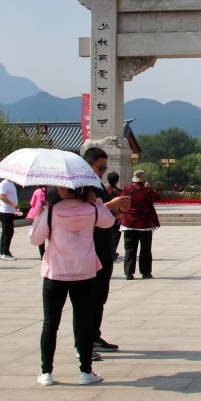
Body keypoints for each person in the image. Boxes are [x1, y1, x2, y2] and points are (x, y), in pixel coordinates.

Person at [29, 184, 115, 386]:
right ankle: (86, 371)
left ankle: (46, 372)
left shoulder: (52, 212)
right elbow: (109, 221)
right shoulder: (92, 209)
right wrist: (98, 202)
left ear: (62, 191)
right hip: (84, 272)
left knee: (50, 324)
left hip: (56, 272)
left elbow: (35, 239)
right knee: (84, 322)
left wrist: (41, 214)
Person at [80, 147, 129, 355]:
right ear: (88, 165)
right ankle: (87, 340)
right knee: (91, 297)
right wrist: (112, 204)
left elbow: (103, 214)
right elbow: (87, 212)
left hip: (104, 247)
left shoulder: (97, 184)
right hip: (93, 249)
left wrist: (119, 211)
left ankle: (94, 335)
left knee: (100, 296)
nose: (102, 172)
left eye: (104, 168)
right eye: (100, 168)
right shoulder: (83, 186)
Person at [121, 170, 160, 280]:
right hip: (144, 224)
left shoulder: (127, 190)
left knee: (129, 249)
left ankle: (128, 273)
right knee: (145, 249)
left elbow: (122, 202)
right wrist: (150, 188)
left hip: (129, 223)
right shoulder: (147, 191)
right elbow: (157, 198)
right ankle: (145, 272)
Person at [0, 178, 20, 261]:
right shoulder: (4, 183)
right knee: (8, 232)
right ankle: (5, 253)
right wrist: (13, 204)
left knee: (6, 232)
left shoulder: (11, 183)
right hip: (5, 211)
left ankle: (2, 252)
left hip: (10, 211)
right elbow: (2, 196)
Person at [104, 172, 123, 261]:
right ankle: (113, 251)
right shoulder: (119, 192)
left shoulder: (105, 191)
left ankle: (109, 251)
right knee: (116, 234)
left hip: (106, 215)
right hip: (116, 215)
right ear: (117, 180)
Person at [27, 186, 48, 259]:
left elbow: (32, 203)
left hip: (38, 214)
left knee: (40, 233)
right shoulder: (50, 191)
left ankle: (42, 255)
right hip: (48, 214)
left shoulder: (37, 191)